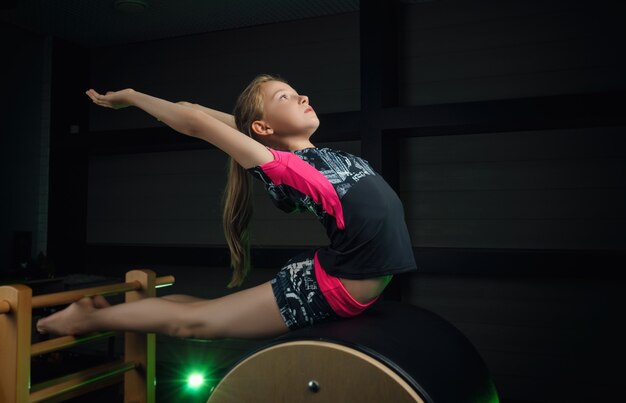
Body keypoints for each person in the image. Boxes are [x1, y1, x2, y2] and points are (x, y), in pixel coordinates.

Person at [36, 74, 417, 340]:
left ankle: (116, 312)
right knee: (194, 324)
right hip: (332, 288)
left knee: (203, 315)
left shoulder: (324, 157)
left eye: (297, 92)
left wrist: (201, 109)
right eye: (285, 96)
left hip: (341, 275)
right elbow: (197, 122)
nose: (302, 97)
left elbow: (219, 118)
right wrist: (133, 96)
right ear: (264, 129)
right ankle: (91, 318)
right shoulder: (286, 167)